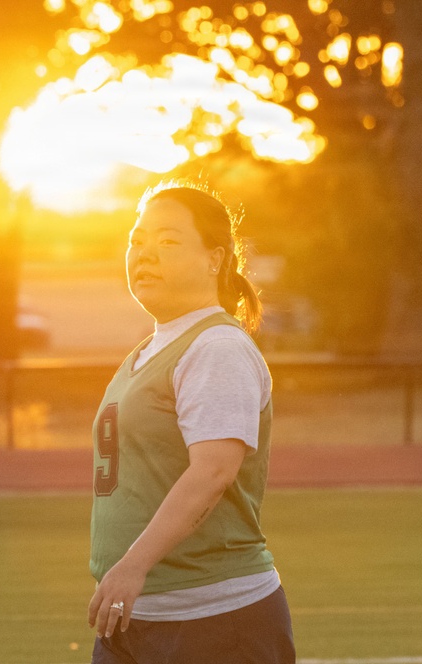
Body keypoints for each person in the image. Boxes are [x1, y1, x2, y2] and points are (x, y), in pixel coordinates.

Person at [87, 181, 295, 663]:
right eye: (137, 240)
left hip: (213, 620)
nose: (145, 254)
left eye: (168, 241)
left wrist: (131, 567)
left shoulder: (215, 347)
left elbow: (213, 471)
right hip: (136, 617)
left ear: (214, 259)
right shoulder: (149, 348)